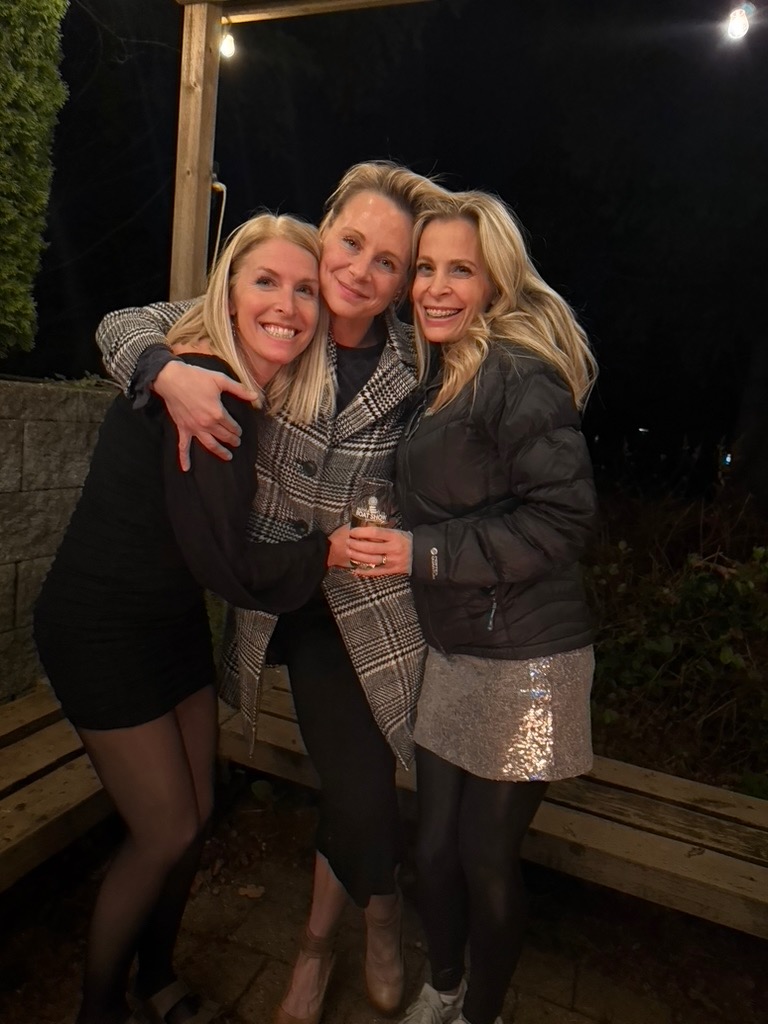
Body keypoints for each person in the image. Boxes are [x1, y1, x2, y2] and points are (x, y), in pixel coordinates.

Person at [95, 161, 447, 1024]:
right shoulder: (286, 310)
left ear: (404, 282)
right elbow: (123, 324)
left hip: (355, 595)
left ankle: (336, 935)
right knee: (352, 787)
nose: (361, 271)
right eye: (351, 242)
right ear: (325, 232)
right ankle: (358, 917)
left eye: (388, 262)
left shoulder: (421, 359)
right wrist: (163, 372)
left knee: (360, 787)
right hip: (267, 584)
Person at [34, 213, 341, 1024]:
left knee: (198, 813)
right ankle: (99, 1010)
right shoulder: (205, 382)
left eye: (305, 289)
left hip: (168, 623)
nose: (287, 304)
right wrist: (330, 552)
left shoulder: (243, 381)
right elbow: (232, 571)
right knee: (166, 830)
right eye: (266, 281)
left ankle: (157, 980)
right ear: (228, 291)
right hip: (99, 626)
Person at [345, 191, 598, 1024]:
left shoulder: (516, 373)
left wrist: (420, 552)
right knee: (431, 850)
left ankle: (479, 1012)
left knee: (485, 859)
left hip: (529, 662)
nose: (435, 287)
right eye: (424, 269)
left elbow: (562, 521)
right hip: (455, 651)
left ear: (496, 282)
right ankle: (444, 985)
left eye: (461, 270)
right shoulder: (440, 376)